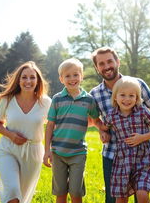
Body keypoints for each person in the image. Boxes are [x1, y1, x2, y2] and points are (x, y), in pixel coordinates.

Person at [89, 47, 150, 203]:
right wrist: (101, 131)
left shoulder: (137, 84)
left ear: (118, 62)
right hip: (113, 155)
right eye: (101, 63)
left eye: (110, 61)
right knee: (114, 199)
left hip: (141, 155)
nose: (107, 66)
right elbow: (94, 120)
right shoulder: (94, 94)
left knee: (141, 195)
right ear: (97, 68)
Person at [43, 58, 107, 203]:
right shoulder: (57, 99)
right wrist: (47, 150)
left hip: (78, 153)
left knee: (76, 192)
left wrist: (103, 130)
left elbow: (96, 121)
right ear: (61, 79)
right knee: (60, 192)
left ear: (81, 76)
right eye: (67, 76)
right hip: (58, 152)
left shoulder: (89, 100)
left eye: (75, 75)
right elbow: (50, 125)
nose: (72, 79)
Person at [0, 61, 51, 203]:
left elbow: (52, 128)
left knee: (23, 197)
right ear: (18, 80)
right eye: (24, 77)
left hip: (33, 152)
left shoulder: (46, 102)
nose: (28, 81)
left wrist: (49, 151)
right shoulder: (7, 100)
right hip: (8, 149)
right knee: (12, 191)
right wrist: (11, 135)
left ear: (38, 81)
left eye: (32, 77)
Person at [104, 76, 150, 203]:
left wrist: (142, 137)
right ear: (115, 97)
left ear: (137, 98)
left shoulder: (142, 111)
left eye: (132, 95)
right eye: (123, 95)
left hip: (143, 160)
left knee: (142, 194)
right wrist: (102, 133)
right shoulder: (111, 116)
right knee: (121, 198)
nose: (127, 99)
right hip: (122, 161)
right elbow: (103, 127)